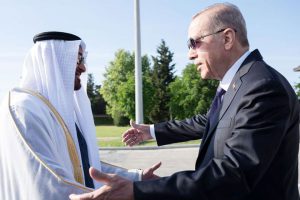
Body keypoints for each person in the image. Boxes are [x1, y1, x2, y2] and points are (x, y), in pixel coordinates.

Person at [69, 3, 300, 200]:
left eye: (194, 43)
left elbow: (234, 173)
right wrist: (151, 131)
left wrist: (137, 190)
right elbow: (210, 121)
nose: (190, 54)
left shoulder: (262, 87)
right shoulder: (243, 82)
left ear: (227, 38)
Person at [0, 31, 160, 200]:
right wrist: (116, 193)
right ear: (51, 61)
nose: (83, 68)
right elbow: (48, 182)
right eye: (77, 60)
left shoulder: (55, 111)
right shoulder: (24, 108)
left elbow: (85, 166)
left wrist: (136, 178)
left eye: (82, 60)